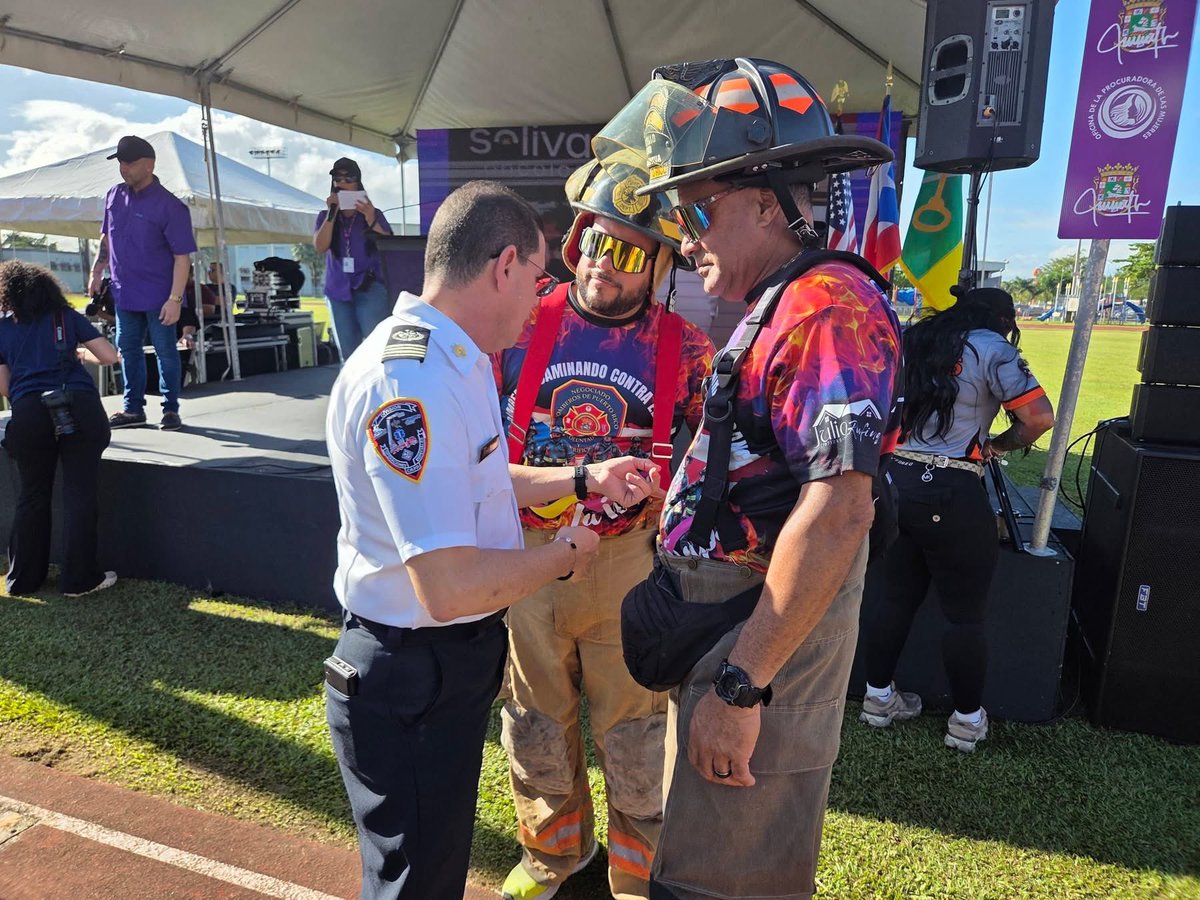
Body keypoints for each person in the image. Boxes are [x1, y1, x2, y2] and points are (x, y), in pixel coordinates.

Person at [591, 57, 902, 899]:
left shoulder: (826, 309)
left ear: (768, 203)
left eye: (694, 208)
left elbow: (840, 512)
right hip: (733, 641)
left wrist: (741, 684)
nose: (680, 235)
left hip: (757, 659)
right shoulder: (783, 302)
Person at [324, 179, 662, 900]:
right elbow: (446, 589)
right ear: (504, 266)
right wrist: (560, 557)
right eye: (540, 278)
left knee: (432, 862)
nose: (544, 298)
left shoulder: (457, 360)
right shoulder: (411, 380)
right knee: (417, 880)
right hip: (413, 667)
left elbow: (480, 479)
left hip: (437, 668)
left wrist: (580, 476)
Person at [493, 160, 714, 900]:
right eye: (592, 242)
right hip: (530, 558)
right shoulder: (525, 322)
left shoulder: (685, 348)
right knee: (533, 720)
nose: (600, 265)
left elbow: (723, 451)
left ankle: (636, 873)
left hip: (626, 565)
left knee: (637, 737)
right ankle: (552, 855)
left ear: (657, 265)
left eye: (624, 253)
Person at [859, 287, 1055, 752]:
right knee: (964, 615)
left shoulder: (913, 337)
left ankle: (876, 699)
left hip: (895, 482)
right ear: (1004, 318)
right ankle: (966, 721)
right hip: (951, 488)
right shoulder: (993, 347)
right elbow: (1039, 418)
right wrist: (999, 446)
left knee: (895, 597)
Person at [0, 261, 119, 596]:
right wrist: (81, 353)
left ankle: (22, 579)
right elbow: (109, 356)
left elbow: (5, 387)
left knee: (32, 493)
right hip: (77, 404)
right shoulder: (66, 317)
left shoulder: (1, 328)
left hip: (28, 411)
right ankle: (80, 580)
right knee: (79, 491)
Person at [88, 134, 196, 432]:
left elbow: (182, 258)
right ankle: (132, 408)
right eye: (120, 162)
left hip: (161, 295)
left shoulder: (171, 207)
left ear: (149, 165)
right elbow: (106, 238)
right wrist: (97, 272)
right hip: (124, 293)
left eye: (130, 163)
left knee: (165, 351)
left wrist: (175, 300)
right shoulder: (113, 195)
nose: (123, 168)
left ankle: (170, 409)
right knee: (128, 349)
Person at [313, 157, 393, 359]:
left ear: (358, 183)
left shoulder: (373, 213)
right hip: (338, 290)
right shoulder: (325, 216)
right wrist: (332, 213)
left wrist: (370, 216)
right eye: (338, 179)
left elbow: (389, 246)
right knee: (348, 353)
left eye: (349, 178)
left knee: (377, 348)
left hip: (369, 287)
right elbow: (320, 246)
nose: (343, 182)